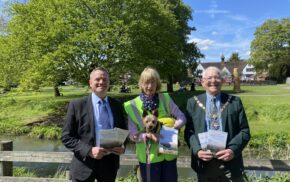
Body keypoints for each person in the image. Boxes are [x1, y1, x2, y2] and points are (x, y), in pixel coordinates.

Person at [184, 66, 251, 182]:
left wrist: (232, 150)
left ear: (223, 81)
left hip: (230, 164)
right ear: (202, 82)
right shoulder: (192, 103)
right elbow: (189, 131)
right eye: (209, 78)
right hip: (204, 165)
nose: (213, 81)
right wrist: (197, 151)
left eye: (217, 77)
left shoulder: (235, 102)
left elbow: (244, 131)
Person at [61, 67, 127, 182]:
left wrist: (123, 147)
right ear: (90, 83)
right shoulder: (77, 105)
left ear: (109, 83)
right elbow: (66, 137)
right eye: (97, 79)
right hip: (84, 165)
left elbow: (123, 131)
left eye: (105, 79)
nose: (101, 82)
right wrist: (89, 151)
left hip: (109, 165)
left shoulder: (117, 105)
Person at [124, 67, 186, 182]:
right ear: (141, 84)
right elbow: (132, 134)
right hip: (148, 158)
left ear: (157, 84)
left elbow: (182, 117)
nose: (149, 86)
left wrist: (171, 129)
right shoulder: (131, 105)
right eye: (146, 82)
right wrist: (146, 136)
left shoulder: (165, 98)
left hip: (168, 153)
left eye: (153, 82)